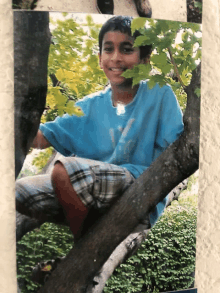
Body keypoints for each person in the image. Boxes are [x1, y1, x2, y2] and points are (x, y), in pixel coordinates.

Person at [16, 16, 184, 238]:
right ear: (100, 57)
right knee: (17, 192)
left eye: (126, 49)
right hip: (89, 198)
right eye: (108, 49)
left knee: (63, 171)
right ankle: (88, 224)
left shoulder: (159, 94)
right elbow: (39, 138)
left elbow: (178, 151)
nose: (115, 58)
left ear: (144, 60)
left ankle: (83, 242)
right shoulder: (88, 106)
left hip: (140, 190)